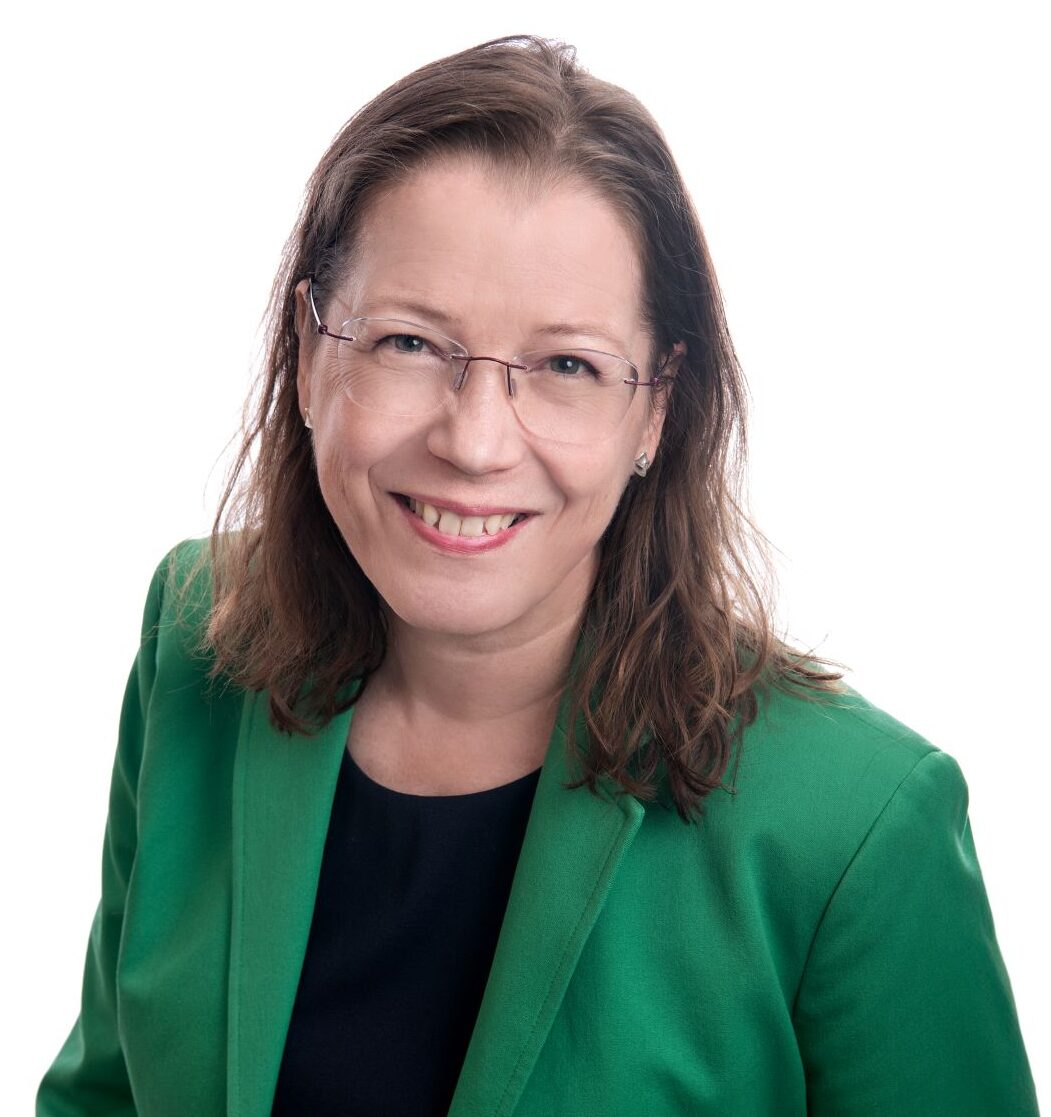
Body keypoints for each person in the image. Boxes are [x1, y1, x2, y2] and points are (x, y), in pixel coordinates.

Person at [37, 34, 1038, 1117]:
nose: (474, 442)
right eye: (409, 343)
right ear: (310, 351)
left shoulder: (856, 824)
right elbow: (105, 1098)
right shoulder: (196, 636)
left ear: (655, 409)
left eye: (566, 365)